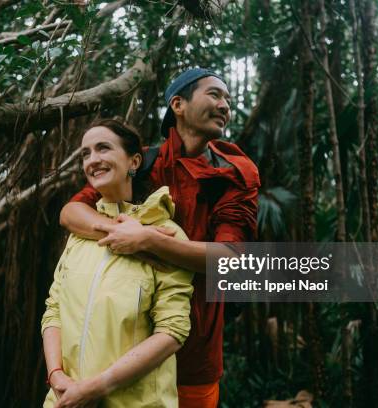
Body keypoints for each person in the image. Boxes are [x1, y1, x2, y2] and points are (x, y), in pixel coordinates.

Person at [60, 68, 261, 408]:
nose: (225, 105)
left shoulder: (234, 174)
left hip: (193, 348)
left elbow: (232, 258)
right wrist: (120, 231)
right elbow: (71, 212)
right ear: (178, 104)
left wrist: (148, 241)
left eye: (227, 98)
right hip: (124, 347)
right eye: (214, 94)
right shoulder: (144, 162)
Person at [41, 119, 194, 408]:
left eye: (103, 148)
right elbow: (54, 311)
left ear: (134, 161)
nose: (92, 160)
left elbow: (172, 332)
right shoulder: (80, 234)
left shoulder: (166, 234)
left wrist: (96, 388)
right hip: (64, 399)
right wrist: (57, 375)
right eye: (85, 153)